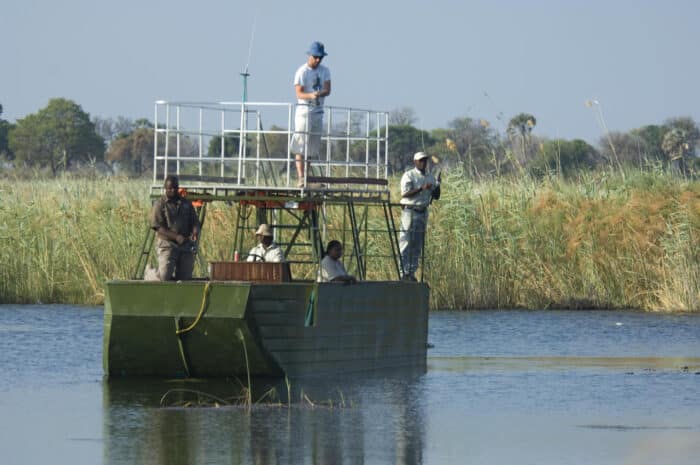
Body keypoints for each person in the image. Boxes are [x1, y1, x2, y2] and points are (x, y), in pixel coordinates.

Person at [290, 41, 331, 187]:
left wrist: (319, 93)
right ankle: (301, 177)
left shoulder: (325, 70)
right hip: (304, 112)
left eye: (321, 57)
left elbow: (328, 89)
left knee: (311, 147)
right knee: (300, 145)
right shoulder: (302, 71)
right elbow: (299, 92)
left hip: (318, 113)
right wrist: (311, 95)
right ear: (310, 55)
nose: (318, 60)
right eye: (316, 57)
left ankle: (306, 177)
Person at [399, 152, 441, 281]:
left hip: (423, 212)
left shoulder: (430, 177)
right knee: (405, 242)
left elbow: (436, 196)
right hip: (410, 211)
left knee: (417, 245)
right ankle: (403, 273)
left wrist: (438, 185)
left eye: (425, 160)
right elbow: (405, 194)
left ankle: (411, 273)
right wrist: (421, 188)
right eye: (420, 160)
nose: (423, 163)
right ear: (415, 162)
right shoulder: (409, 175)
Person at [150, 175, 200, 281]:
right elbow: (157, 227)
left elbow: (195, 221)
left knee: (185, 278)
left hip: (185, 244)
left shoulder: (186, 203)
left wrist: (195, 231)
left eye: (175, 188)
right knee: (164, 276)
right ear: (165, 188)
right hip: (167, 244)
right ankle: (150, 275)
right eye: (170, 188)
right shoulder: (160, 204)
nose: (173, 190)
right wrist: (176, 236)